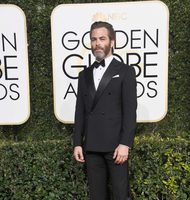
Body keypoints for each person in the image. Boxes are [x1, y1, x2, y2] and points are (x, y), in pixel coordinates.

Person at [73, 21, 137, 200]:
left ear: (112, 41)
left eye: (102, 38)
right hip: (92, 146)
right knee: (97, 196)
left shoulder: (125, 71)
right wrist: (77, 142)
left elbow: (130, 111)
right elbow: (80, 111)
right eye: (93, 39)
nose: (97, 43)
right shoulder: (83, 75)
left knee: (120, 195)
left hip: (116, 147)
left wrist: (125, 143)